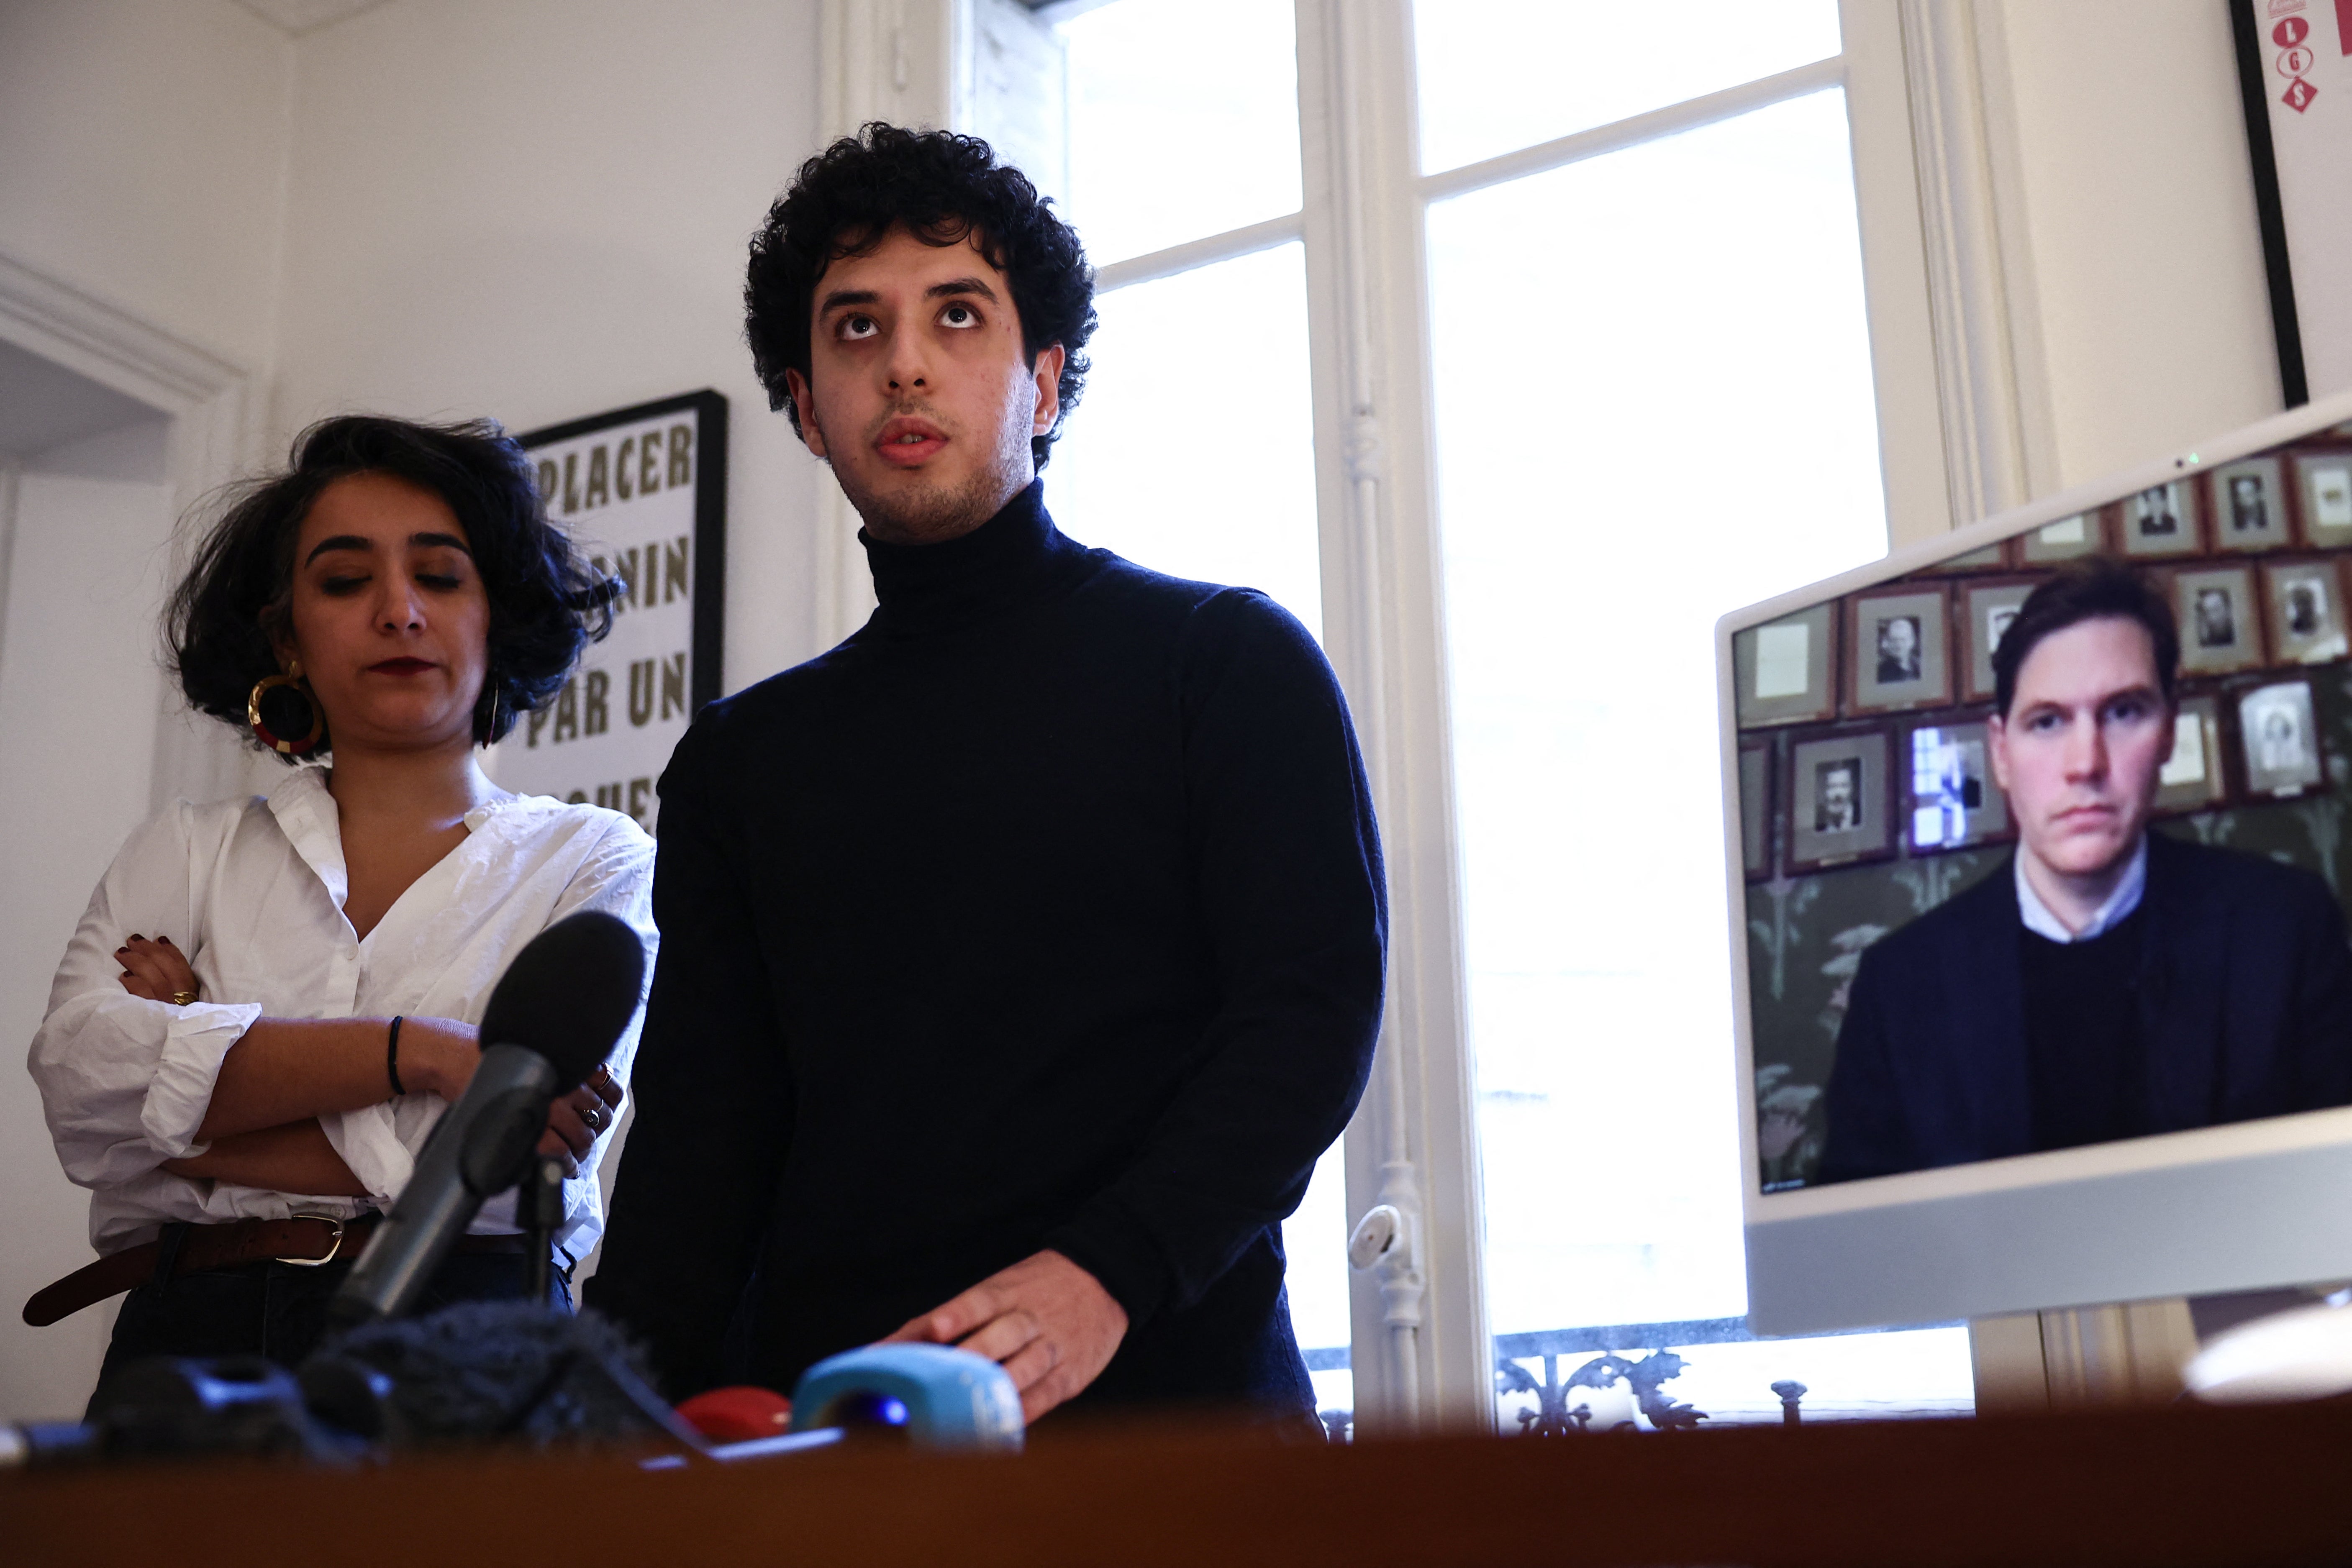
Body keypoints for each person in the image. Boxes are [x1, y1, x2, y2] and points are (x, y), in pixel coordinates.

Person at [589, 125, 1385, 1426]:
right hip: (838, 1444)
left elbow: (1304, 1026)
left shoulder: (1220, 660)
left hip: (1174, 1415)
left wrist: (1107, 1272)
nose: (903, 362)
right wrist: (595, 1417)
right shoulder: (742, 762)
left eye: (957, 314)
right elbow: (698, 1156)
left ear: (1045, 382)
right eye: (855, 329)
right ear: (804, 407)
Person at [26, 417, 655, 1397]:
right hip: (188, 1335)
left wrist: (187, 1106)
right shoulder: (189, 847)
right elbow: (78, 1089)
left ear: (498, 613)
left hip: (470, 1341)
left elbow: (503, 1159)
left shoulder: (594, 858)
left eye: (441, 576)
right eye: (345, 579)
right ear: (287, 634)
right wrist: (429, 1055)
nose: (399, 610)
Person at [1817, 559, 2352, 1183]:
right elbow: (1860, 1253)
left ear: (2169, 733)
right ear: (2000, 753)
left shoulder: (2284, 926)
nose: (2085, 763)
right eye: (2047, 721)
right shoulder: (1898, 986)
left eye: (2123, 712)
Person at [1816, 762, 1861, 832]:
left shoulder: (1862, 817)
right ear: (1822, 790)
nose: (1838, 793)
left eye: (1844, 786)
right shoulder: (1816, 823)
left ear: (1852, 788)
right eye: (1832, 787)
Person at [1875, 615, 1921, 683]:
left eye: (1903, 640)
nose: (1899, 645)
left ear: (1912, 641)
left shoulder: (1920, 668)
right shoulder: (1881, 673)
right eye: (1894, 640)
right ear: (1887, 643)